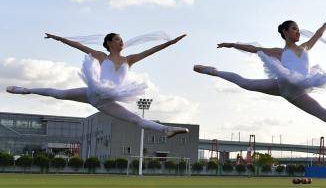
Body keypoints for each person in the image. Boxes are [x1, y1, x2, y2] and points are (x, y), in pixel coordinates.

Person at [194, 14, 326, 142]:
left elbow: (317, 35)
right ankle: (212, 71)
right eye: (294, 29)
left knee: (325, 115)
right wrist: (232, 44)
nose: (298, 32)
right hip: (281, 85)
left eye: (298, 28)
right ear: (285, 32)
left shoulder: (305, 47)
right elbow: (252, 48)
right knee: (245, 83)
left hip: (297, 93)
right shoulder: (278, 52)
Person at [6, 32, 189, 137]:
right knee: (60, 94)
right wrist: (58, 38)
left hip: (107, 101)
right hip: (93, 91)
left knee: (135, 119)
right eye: (117, 39)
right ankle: (26, 90)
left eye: (121, 39)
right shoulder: (101, 56)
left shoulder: (129, 59)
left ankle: (166, 129)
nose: (121, 41)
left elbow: (151, 51)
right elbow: (78, 46)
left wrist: (170, 43)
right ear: (109, 43)